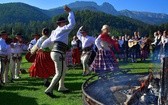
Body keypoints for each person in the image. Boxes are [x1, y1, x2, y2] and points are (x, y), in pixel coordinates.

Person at [40, 5, 76, 98]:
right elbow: (72, 24)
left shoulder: (54, 32)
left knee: (64, 70)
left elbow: (45, 43)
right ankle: (49, 89)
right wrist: (70, 12)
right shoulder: (63, 29)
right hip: (59, 52)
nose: (66, 23)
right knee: (59, 73)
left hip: (55, 52)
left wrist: (42, 48)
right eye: (64, 22)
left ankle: (61, 86)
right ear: (62, 23)